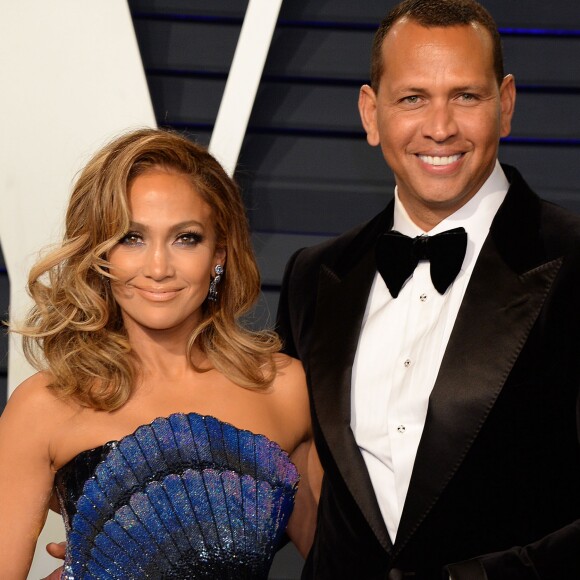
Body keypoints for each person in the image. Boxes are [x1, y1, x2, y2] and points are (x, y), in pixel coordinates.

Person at [276, 0, 580, 578]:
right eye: (412, 97)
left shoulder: (574, 265)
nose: (439, 127)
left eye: (466, 96)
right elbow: (268, 469)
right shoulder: (314, 277)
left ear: (506, 105)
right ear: (371, 113)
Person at [0, 128, 321, 579]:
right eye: (131, 237)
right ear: (100, 253)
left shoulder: (283, 388)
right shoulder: (44, 406)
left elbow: (345, 562)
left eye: (185, 238)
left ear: (219, 255)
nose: (157, 268)